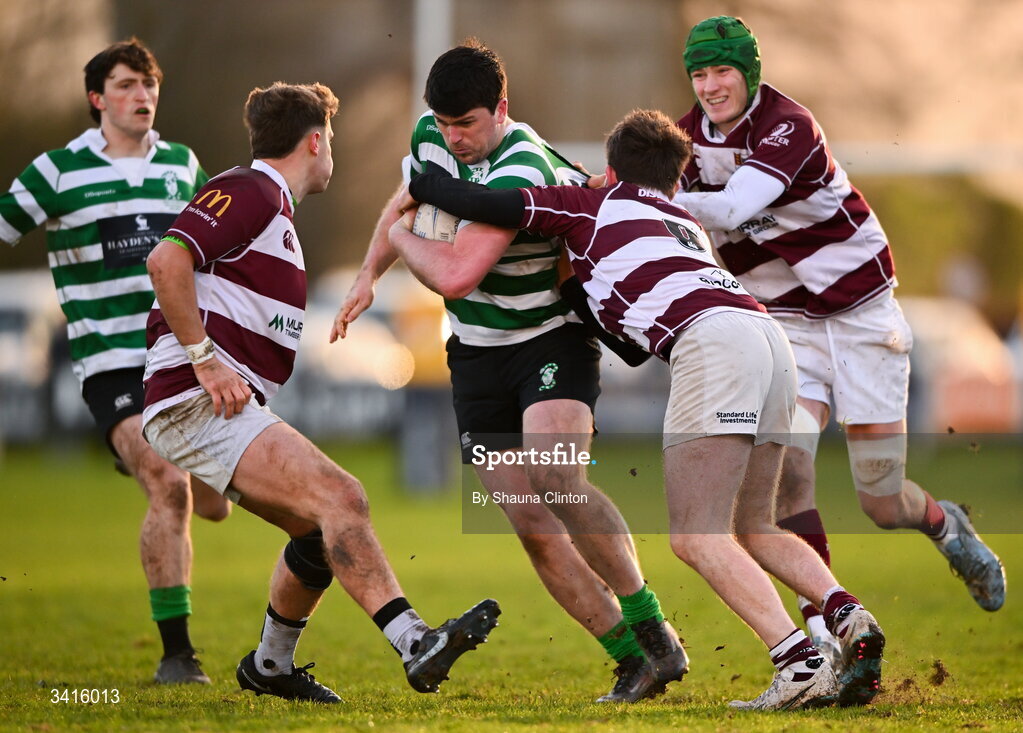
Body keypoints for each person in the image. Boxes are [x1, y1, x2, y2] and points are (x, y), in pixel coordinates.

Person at [398, 108, 889, 710]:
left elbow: (491, 204)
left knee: (695, 535)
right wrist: (581, 290)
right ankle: (850, 618)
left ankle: (797, 660)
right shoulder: (684, 222)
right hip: (769, 340)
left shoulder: (590, 202)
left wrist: (418, 182)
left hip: (713, 344)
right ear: (678, 183)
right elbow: (630, 344)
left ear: (609, 170)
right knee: (756, 525)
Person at [331, 40, 685, 703]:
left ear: (501, 108)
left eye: (466, 123)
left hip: (549, 341)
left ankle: (653, 626)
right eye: (442, 124)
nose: (452, 138)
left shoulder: (521, 165)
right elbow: (401, 196)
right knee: (531, 523)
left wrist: (404, 243)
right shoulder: (431, 133)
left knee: (557, 479)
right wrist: (365, 272)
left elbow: (456, 270)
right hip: (474, 354)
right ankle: (630, 657)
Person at [142, 81, 500, 704]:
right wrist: (204, 361)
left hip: (220, 404)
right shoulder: (250, 190)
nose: (330, 150)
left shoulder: (272, 208)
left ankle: (269, 667)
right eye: (330, 138)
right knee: (343, 495)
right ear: (315, 140)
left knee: (316, 531)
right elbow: (166, 261)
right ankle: (416, 642)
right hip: (197, 398)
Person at [672, 15, 1005, 647]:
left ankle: (945, 524)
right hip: (789, 327)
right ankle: (827, 628)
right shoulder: (684, 140)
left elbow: (734, 208)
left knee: (881, 499)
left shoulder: (788, 126)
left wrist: (657, 198)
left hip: (862, 316)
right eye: (699, 73)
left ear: (749, 73)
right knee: (787, 474)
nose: (711, 85)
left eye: (722, 71)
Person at [0, 38, 231, 684]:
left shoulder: (183, 166)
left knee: (214, 502)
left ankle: (204, 473)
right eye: (128, 85)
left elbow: (219, 248)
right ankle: (177, 655)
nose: (143, 97)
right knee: (166, 481)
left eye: (150, 85)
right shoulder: (57, 171)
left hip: (184, 353)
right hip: (111, 362)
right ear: (97, 98)